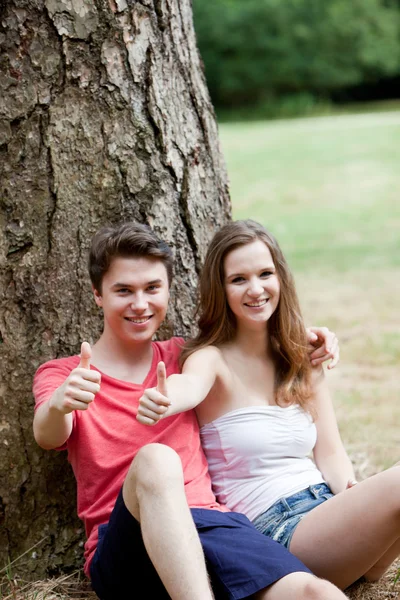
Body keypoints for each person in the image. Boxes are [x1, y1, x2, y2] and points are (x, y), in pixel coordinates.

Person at [33, 221, 347, 600]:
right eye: (123, 291)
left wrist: (311, 339)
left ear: (167, 291)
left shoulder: (184, 355)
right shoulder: (67, 375)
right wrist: (59, 404)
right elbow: (48, 434)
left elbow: (249, 344)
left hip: (214, 529)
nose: (140, 304)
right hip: (127, 545)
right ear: (98, 294)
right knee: (156, 460)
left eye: (152, 288)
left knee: (316, 592)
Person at [138, 218, 400, 592]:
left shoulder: (300, 358)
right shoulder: (212, 360)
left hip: (328, 516)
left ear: (281, 279)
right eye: (239, 279)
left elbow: (330, 453)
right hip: (277, 531)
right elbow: (189, 387)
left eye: (265, 273)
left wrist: (354, 503)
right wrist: (164, 399)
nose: (256, 289)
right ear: (221, 289)